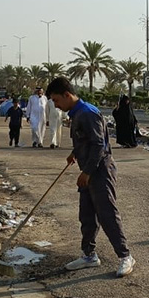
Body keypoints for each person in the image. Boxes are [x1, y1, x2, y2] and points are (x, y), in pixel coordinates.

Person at [46, 76, 135, 278]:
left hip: (100, 170)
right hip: (87, 169)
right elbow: (85, 141)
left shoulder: (87, 113)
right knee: (87, 215)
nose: (56, 106)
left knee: (107, 214)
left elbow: (98, 145)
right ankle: (88, 255)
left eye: (57, 100)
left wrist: (87, 172)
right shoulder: (77, 113)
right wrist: (75, 153)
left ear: (67, 95)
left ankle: (125, 256)